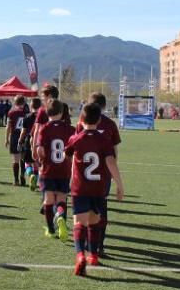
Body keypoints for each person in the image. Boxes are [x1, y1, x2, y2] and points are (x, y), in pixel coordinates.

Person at [65, 103, 124, 276]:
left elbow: (66, 157)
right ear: (99, 120)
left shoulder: (75, 138)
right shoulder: (104, 140)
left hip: (80, 187)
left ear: (81, 119)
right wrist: (119, 185)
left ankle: (80, 255)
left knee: (79, 222)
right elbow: (111, 162)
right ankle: (94, 255)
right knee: (94, 222)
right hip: (99, 188)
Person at [35, 100, 75, 240]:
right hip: (64, 170)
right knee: (62, 199)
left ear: (47, 112)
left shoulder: (44, 128)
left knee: (49, 200)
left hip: (49, 170)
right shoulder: (70, 129)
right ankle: (60, 217)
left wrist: (42, 160)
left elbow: (39, 149)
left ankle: (51, 230)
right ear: (61, 112)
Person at [87, 92, 121, 255]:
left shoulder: (82, 123)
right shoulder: (110, 124)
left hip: (85, 175)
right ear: (105, 106)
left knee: (86, 209)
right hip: (104, 174)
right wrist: (115, 175)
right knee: (101, 207)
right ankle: (100, 244)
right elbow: (114, 153)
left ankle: (88, 242)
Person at [4, 95, 29, 186]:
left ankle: (16, 180)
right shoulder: (27, 112)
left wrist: (6, 138)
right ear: (23, 102)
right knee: (23, 158)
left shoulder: (11, 112)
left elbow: (8, 127)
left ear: (15, 102)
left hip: (15, 136)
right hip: (25, 137)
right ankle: (22, 175)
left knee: (15, 159)